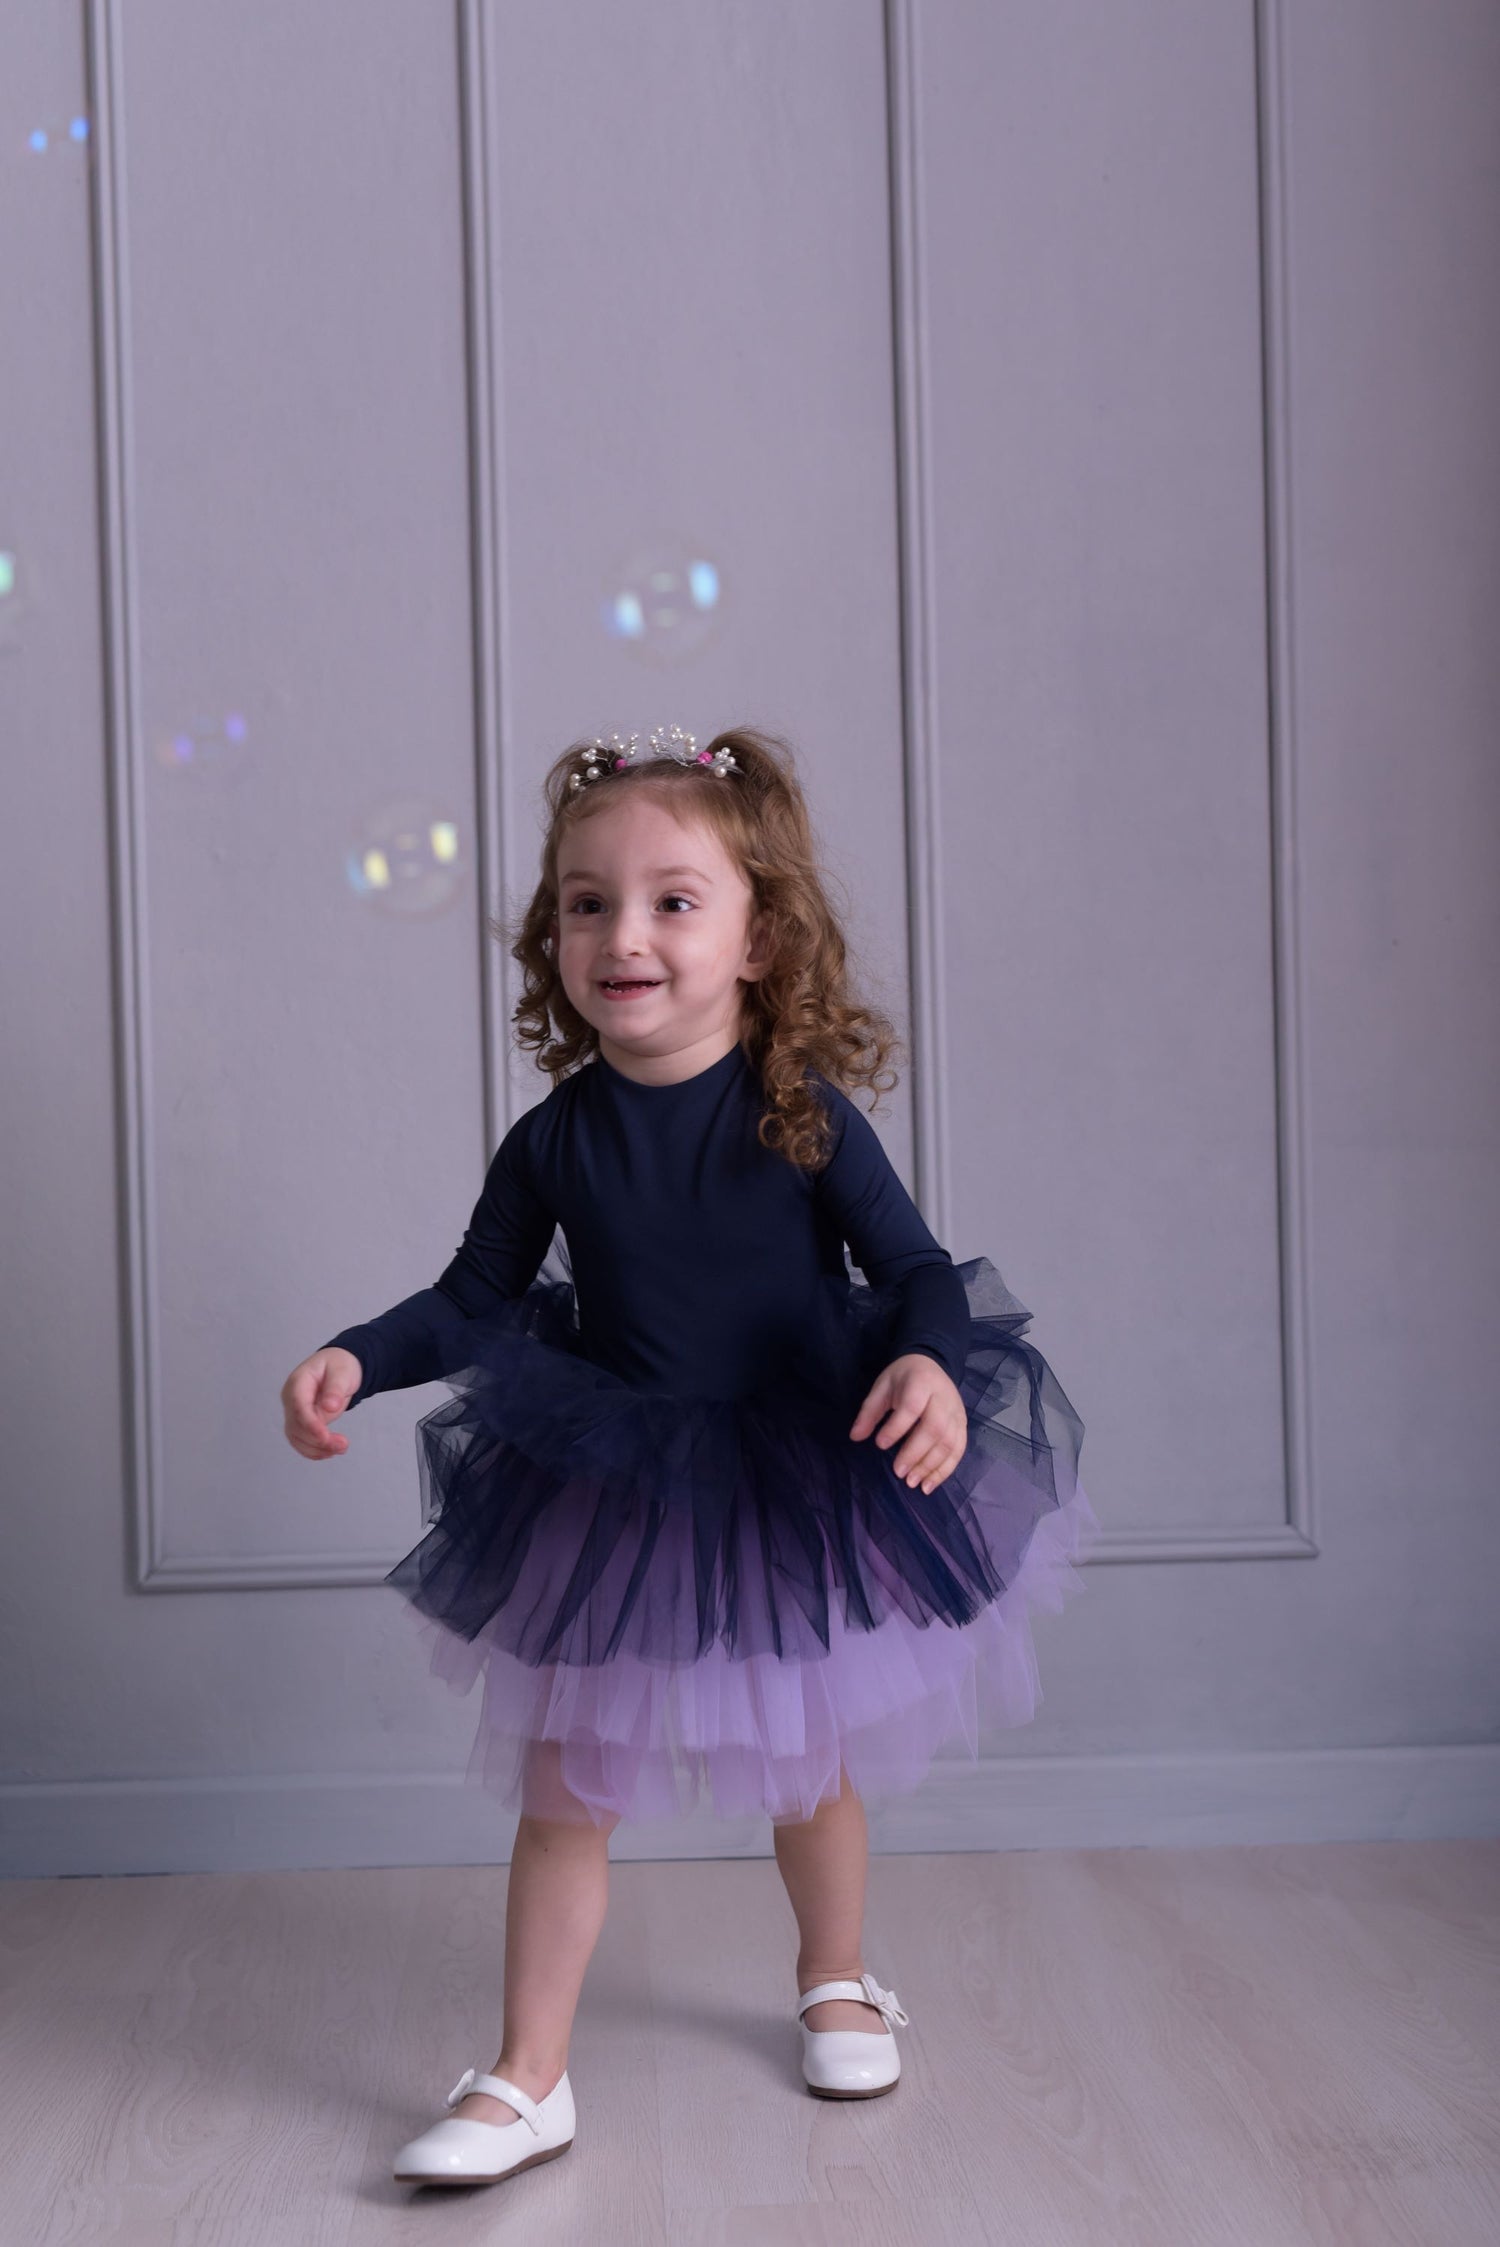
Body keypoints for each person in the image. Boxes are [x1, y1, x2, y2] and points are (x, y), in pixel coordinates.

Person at [280, 722, 1098, 2188]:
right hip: (622, 1480)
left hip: (793, 1463)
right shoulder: (556, 1141)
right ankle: (530, 2077)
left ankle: (835, 1975)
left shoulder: (801, 1121)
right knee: (564, 1790)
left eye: (673, 899)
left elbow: (912, 1266)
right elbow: (474, 1296)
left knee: (811, 1759)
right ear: (553, 938)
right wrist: (361, 1351)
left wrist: (927, 1358)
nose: (624, 934)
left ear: (760, 937)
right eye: (588, 902)